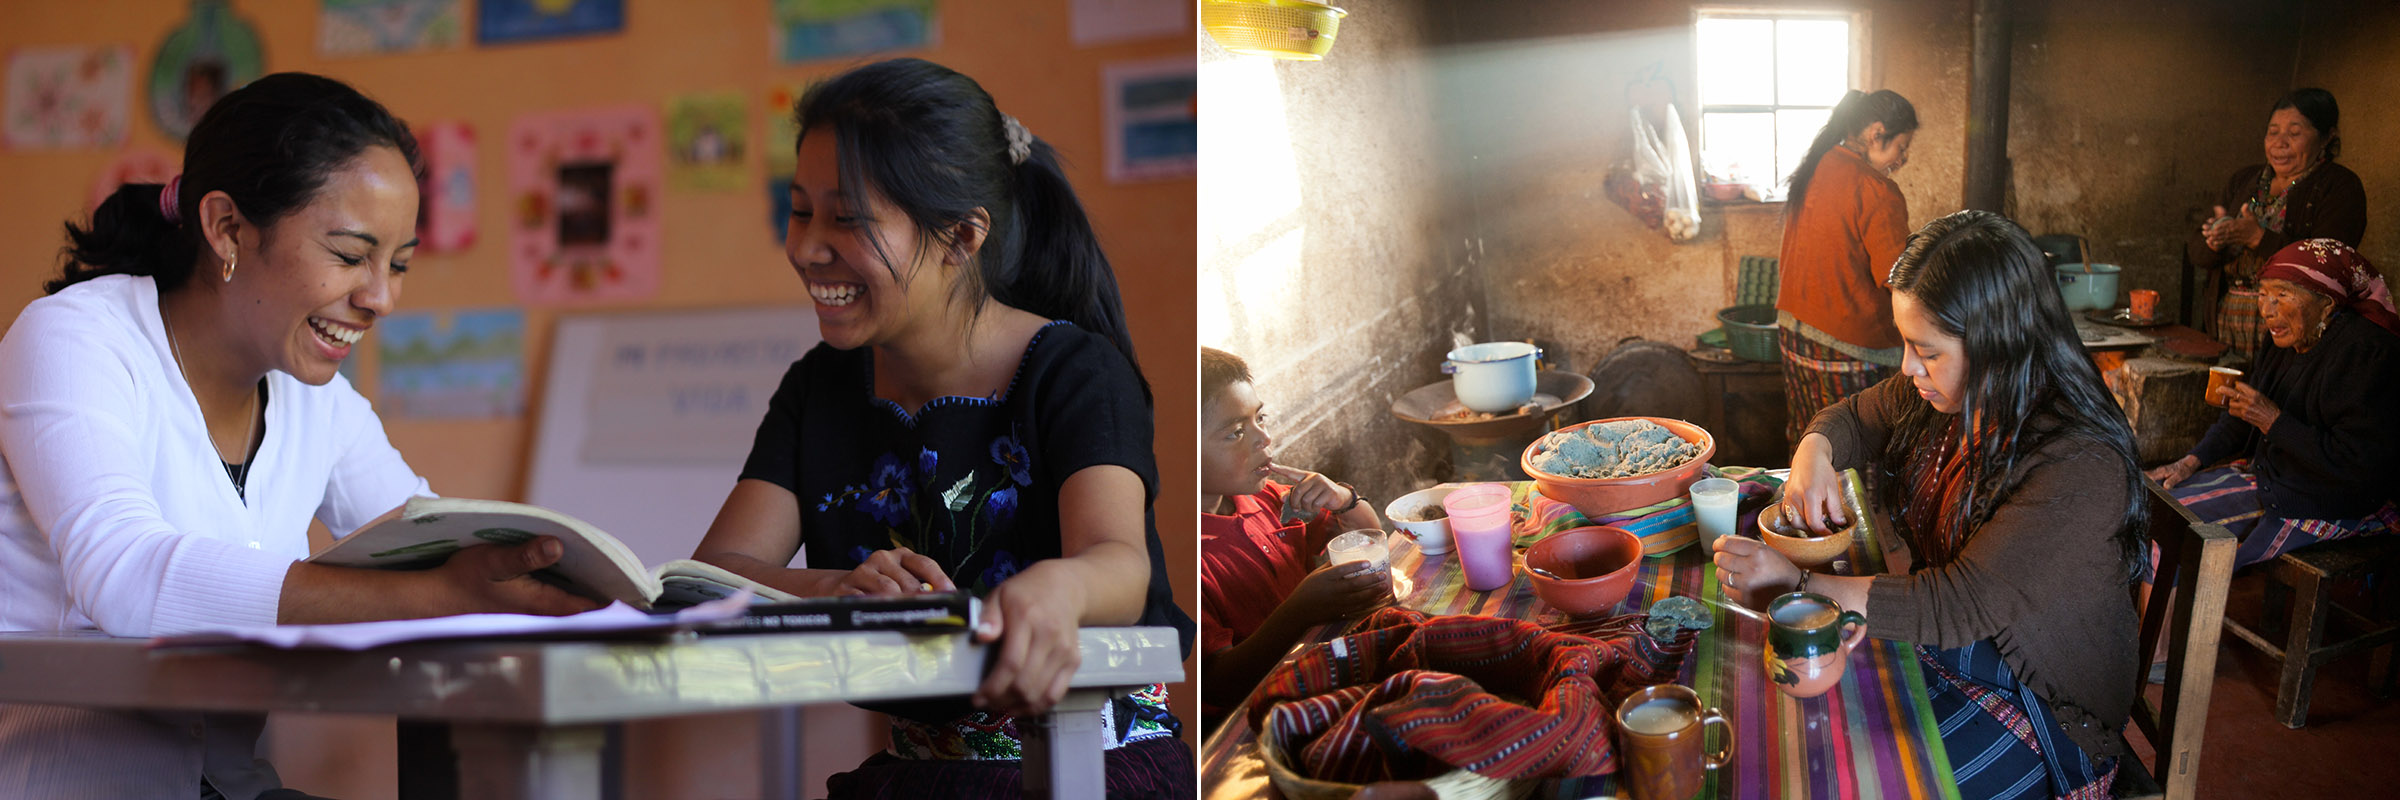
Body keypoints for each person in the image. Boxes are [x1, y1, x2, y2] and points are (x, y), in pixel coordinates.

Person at [0, 73, 596, 799]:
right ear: (227, 229)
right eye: (350, 256)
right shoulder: (76, 339)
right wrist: (436, 596)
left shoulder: (319, 402)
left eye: (399, 263)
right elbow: (123, 574)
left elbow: (435, 542)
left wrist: (559, 580)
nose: (381, 297)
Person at [688, 58, 1193, 798]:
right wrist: (839, 588)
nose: (804, 248)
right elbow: (712, 580)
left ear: (962, 236)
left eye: (848, 218)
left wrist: (1058, 591)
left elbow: (1118, 565)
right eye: (800, 211)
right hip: (915, 776)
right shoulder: (818, 388)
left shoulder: (1073, 372)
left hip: (1095, 767)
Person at [1715, 210, 2145, 799]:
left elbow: (1957, 603)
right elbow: (1852, 418)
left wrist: (1799, 582)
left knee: (1857, 779)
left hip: (2043, 706)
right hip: (1963, 646)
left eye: (1928, 350)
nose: (1909, 368)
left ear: (2000, 343)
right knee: (1803, 735)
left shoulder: (2078, 462)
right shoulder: (1953, 395)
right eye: (1907, 345)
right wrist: (1811, 455)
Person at [2147, 238, 2399, 569]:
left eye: (2282, 294)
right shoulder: (2282, 338)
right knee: (2145, 508)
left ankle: (2168, 622)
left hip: (2323, 500)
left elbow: (2355, 466)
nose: (2267, 309)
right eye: (2263, 294)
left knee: (2167, 539)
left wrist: (2272, 421)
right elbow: (2241, 414)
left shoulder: (2365, 353)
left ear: (2326, 302)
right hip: (2270, 476)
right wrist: (2190, 461)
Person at [1197, 347, 1389, 734]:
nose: (1264, 438)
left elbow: (1370, 536)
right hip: (1258, 720)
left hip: (1319, 676)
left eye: (1259, 418)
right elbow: (1217, 683)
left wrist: (1343, 500)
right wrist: (1299, 611)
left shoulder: (1266, 498)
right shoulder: (1180, 555)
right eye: (1236, 432)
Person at [1774, 89, 1920, 449]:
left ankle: (1801, 505)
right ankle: (1853, 509)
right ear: (1876, 133)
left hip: (1794, 332)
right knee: (1859, 448)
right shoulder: (1876, 189)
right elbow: (1897, 277)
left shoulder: (1818, 165)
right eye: (1900, 148)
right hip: (1847, 346)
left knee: (1811, 441)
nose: (1902, 159)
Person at [2186, 88, 2366, 357]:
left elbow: (2327, 265)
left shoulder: (2340, 187)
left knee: (2273, 396)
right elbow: (2197, 254)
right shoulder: (2244, 181)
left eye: (2294, 134)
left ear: (2327, 137)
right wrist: (2215, 240)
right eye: (2273, 132)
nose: (2279, 143)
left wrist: (2258, 238)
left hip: (2292, 328)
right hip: (2228, 321)